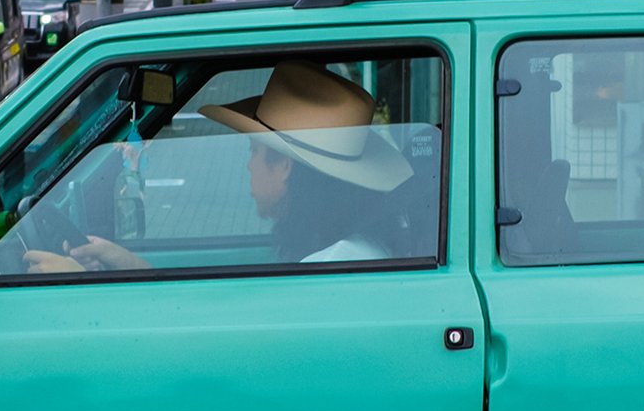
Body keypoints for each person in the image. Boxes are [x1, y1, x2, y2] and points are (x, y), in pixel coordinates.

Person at [25, 62, 414, 274]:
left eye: (252, 152)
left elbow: (224, 337)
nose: (246, 167)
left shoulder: (333, 267)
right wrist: (129, 266)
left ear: (284, 169)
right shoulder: (340, 252)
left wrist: (77, 283)